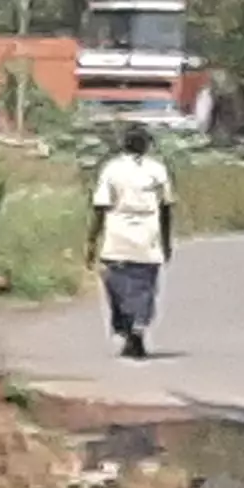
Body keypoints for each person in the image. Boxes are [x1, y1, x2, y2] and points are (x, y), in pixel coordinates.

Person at [89, 126, 176, 360]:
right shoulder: (157, 170)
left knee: (117, 286)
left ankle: (128, 328)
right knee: (145, 286)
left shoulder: (112, 169)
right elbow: (166, 208)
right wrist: (166, 241)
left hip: (117, 235)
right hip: (148, 236)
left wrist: (91, 240)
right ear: (146, 145)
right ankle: (138, 326)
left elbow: (100, 207)